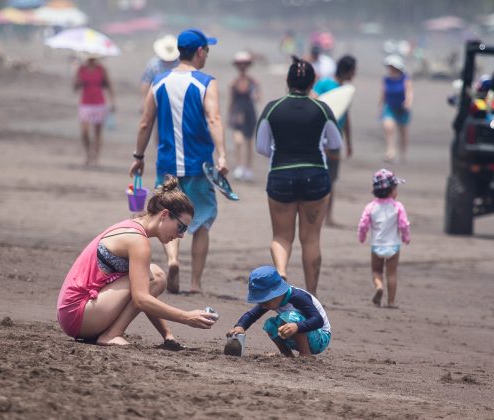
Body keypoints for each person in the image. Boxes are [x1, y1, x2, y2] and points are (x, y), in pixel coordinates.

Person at [57, 175, 218, 346]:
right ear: (164, 215)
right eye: (181, 227)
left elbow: (144, 291)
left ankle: (111, 333)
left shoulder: (132, 226)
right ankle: (112, 335)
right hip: (79, 315)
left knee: (153, 274)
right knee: (156, 276)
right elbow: (141, 299)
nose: (181, 235)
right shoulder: (138, 241)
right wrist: (187, 317)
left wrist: (167, 335)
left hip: (73, 314)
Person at [129, 28, 228, 295]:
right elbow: (214, 119)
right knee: (203, 221)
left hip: (167, 166)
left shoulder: (158, 82)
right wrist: (222, 155)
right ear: (199, 52)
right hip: (199, 167)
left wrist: (138, 157)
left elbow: (145, 122)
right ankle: (195, 282)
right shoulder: (206, 82)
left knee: (169, 215)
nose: (207, 54)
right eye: (207, 50)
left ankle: (173, 259)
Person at [256, 56, 343, 296]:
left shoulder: (272, 108)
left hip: (281, 175)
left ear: (287, 80)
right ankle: (312, 293)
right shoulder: (322, 108)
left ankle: (282, 273)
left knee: (282, 237)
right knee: (311, 238)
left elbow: (262, 147)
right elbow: (335, 143)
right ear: (312, 82)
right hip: (315, 176)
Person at [226, 265, 331, 357]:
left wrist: (297, 326)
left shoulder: (298, 297)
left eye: (265, 301)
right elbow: (252, 315)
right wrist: (240, 327)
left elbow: (318, 320)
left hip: (320, 338)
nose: (263, 305)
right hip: (301, 335)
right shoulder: (271, 301)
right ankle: (287, 355)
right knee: (270, 324)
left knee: (290, 317)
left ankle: (305, 355)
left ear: (277, 293)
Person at [312, 55, 357, 226]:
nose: (355, 73)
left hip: (336, 140)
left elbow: (346, 116)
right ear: (348, 70)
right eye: (354, 70)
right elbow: (314, 102)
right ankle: (315, 214)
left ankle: (328, 216)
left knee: (331, 179)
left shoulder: (346, 91)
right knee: (317, 176)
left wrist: (349, 141)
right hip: (319, 138)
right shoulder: (325, 83)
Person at [357, 169, 411, 308]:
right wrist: (406, 237)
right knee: (392, 274)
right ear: (392, 190)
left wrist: (362, 237)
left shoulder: (371, 207)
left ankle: (379, 286)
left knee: (376, 271)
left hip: (376, 245)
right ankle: (391, 301)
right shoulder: (398, 206)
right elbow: (403, 224)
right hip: (393, 245)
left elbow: (363, 224)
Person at [74, 55, 115, 166]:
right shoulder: (81, 69)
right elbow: (75, 87)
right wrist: (77, 77)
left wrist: (112, 101)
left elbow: (109, 85)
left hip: (99, 103)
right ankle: (88, 154)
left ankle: (96, 157)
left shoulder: (101, 69)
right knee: (85, 132)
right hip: (85, 103)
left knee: (97, 133)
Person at [228, 50, 260, 182]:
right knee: (238, 141)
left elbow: (257, 97)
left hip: (249, 112)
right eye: (240, 64)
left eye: (244, 64)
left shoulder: (253, 82)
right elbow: (231, 101)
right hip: (237, 112)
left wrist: (255, 95)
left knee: (249, 142)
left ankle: (248, 168)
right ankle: (239, 166)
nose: (242, 66)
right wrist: (230, 115)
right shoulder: (233, 82)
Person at [379, 54, 413, 163]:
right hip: (390, 106)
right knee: (388, 128)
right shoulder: (386, 79)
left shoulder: (405, 78)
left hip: (402, 108)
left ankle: (403, 154)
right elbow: (383, 93)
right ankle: (390, 152)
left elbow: (409, 92)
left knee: (403, 132)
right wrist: (380, 105)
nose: (390, 69)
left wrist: (407, 103)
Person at [140, 34, 179, 108]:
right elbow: (146, 83)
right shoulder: (153, 65)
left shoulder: (179, 63)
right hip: (157, 99)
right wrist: (144, 101)